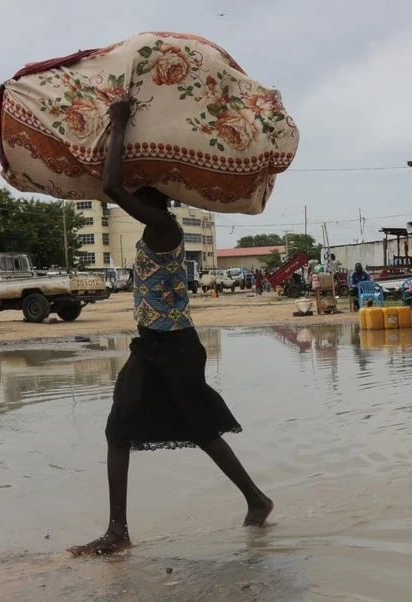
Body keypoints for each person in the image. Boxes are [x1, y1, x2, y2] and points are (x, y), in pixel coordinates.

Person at [69, 98, 273, 557]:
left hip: (177, 348)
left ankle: (257, 501)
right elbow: (114, 188)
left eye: (138, 194)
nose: (129, 198)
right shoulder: (154, 231)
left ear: (152, 201)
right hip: (154, 346)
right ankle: (118, 530)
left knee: (200, 428)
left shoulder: (165, 227)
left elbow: (111, 185)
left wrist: (118, 124)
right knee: (119, 427)